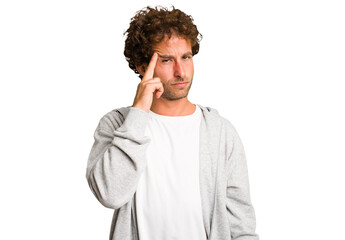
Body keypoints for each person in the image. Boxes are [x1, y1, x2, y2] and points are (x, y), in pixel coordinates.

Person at [86, 6, 258, 240]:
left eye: (186, 57)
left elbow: (241, 225)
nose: (180, 72)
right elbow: (110, 194)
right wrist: (138, 112)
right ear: (142, 67)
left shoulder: (220, 132)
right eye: (167, 60)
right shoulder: (117, 125)